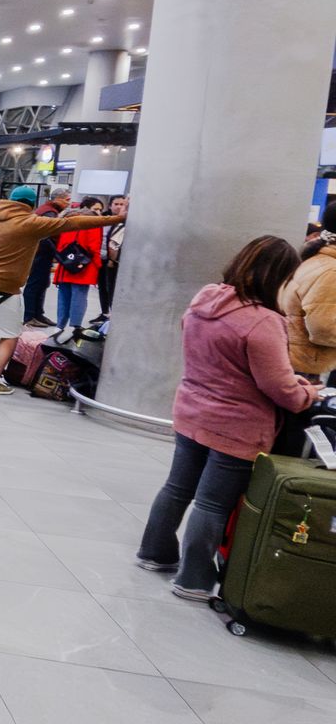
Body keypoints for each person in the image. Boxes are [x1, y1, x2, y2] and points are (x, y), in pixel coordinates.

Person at [137, 236, 324, 601]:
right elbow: (279, 388)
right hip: (236, 425)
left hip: (192, 410)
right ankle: (193, 579)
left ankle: (154, 553)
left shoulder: (204, 301)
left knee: (177, 488)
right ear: (278, 276)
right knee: (212, 503)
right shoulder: (263, 321)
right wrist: (307, 393)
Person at [0, 184, 124, 394]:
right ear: (29, 204)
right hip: (5, 290)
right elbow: (74, 222)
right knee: (10, 335)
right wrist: (115, 218)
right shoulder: (30, 222)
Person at [282, 219, 336, 378]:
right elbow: (323, 329)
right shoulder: (331, 271)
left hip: (297, 360)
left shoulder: (317, 260)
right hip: (306, 365)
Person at [20, 185, 70, 327]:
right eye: (66, 200)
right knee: (35, 283)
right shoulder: (49, 212)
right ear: (58, 199)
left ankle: (37, 313)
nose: (68, 203)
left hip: (42, 253)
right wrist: (57, 252)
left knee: (41, 283)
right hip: (40, 253)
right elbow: (48, 234)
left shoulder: (49, 210)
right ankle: (29, 315)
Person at [52, 200, 104, 332]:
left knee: (63, 297)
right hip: (84, 267)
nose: (99, 212)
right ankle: (74, 327)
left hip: (66, 265)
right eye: (96, 209)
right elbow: (94, 247)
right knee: (79, 297)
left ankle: (59, 326)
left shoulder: (70, 221)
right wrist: (98, 266)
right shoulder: (94, 224)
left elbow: (61, 244)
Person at [97, 193, 129, 314]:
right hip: (101, 257)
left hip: (115, 261)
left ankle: (111, 313)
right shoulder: (103, 219)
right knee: (102, 287)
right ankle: (104, 312)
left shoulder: (126, 222)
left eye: (122, 204)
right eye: (116, 204)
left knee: (112, 288)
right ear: (110, 206)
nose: (119, 207)